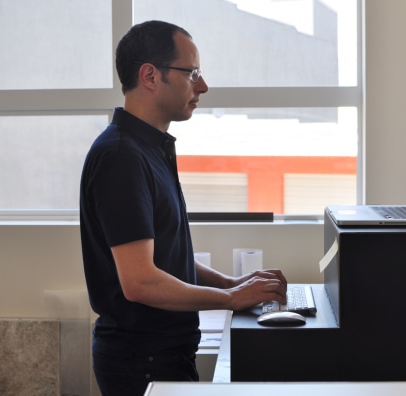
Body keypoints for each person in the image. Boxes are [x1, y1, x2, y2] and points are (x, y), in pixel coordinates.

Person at [79, 20, 288, 396]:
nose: (203, 86)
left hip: (162, 353)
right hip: (141, 360)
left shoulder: (148, 148)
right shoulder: (121, 157)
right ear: (150, 76)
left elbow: (163, 255)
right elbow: (141, 281)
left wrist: (229, 282)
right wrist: (228, 300)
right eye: (191, 72)